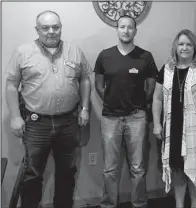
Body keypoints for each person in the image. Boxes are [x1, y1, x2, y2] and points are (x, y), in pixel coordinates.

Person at [5, 10, 91, 208]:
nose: (51, 31)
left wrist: (85, 108)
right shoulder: (22, 52)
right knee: (33, 174)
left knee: (67, 172)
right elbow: (11, 85)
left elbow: (85, 79)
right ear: (37, 29)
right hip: (36, 124)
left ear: (61, 28)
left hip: (69, 122)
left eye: (56, 27)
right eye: (45, 28)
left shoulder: (75, 51)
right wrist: (15, 117)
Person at [94, 15, 158, 208]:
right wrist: (114, 101)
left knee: (138, 167)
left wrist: (136, 103)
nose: (126, 30)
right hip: (110, 118)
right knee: (109, 168)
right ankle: (108, 204)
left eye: (130, 27)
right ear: (117, 29)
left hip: (137, 117)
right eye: (122, 27)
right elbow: (99, 85)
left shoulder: (145, 57)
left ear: (135, 31)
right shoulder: (105, 56)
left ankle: (139, 203)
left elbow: (150, 87)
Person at [152, 29, 196, 208]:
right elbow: (157, 99)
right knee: (177, 170)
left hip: (195, 129)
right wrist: (157, 124)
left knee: (194, 170)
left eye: (189, 44)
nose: (184, 47)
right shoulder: (166, 69)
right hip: (172, 129)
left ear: (194, 48)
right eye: (181, 44)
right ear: (175, 47)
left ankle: (195, 205)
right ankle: (180, 205)